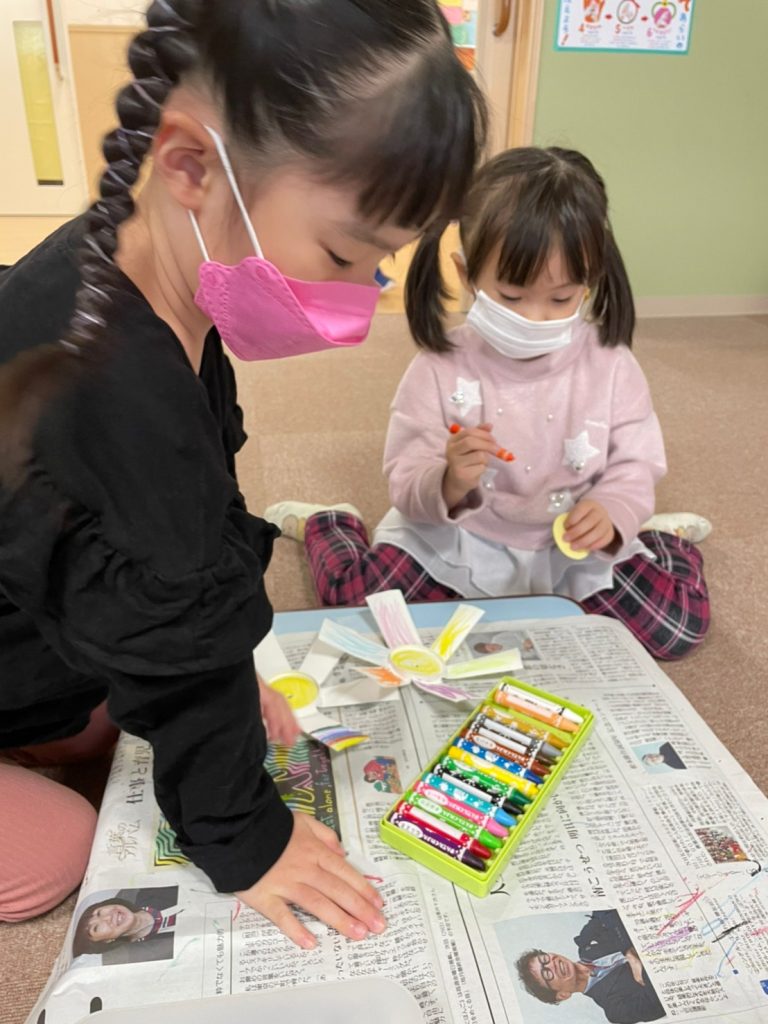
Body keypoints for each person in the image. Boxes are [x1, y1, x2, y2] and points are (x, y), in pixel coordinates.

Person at [0, 0, 486, 949]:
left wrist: (223, 668)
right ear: (189, 165)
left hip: (28, 618)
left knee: (145, 715)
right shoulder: (112, 385)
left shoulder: (148, 266)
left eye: (379, 263)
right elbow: (163, 621)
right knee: (59, 850)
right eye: (345, 254)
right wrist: (245, 838)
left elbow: (180, 548)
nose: (357, 296)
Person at [267, 147, 711, 661]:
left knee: (676, 627)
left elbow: (636, 463)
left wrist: (615, 511)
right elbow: (406, 474)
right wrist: (449, 481)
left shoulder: (610, 363)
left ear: (589, 282)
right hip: (463, 540)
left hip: (568, 547)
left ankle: (665, 541)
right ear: (466, 273)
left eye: (562, 299)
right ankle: (330, 522)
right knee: (360, 607)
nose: (537, 318)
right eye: (513, 296)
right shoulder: (440, 365)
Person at [516, 910, 665, 1023]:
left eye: (544, 958)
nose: (552, 963)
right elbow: (663, 1001)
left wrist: (629, 952)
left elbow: (606, 909)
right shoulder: (615, 1010)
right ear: (563, 995)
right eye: (547, 973)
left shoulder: (585, 942)